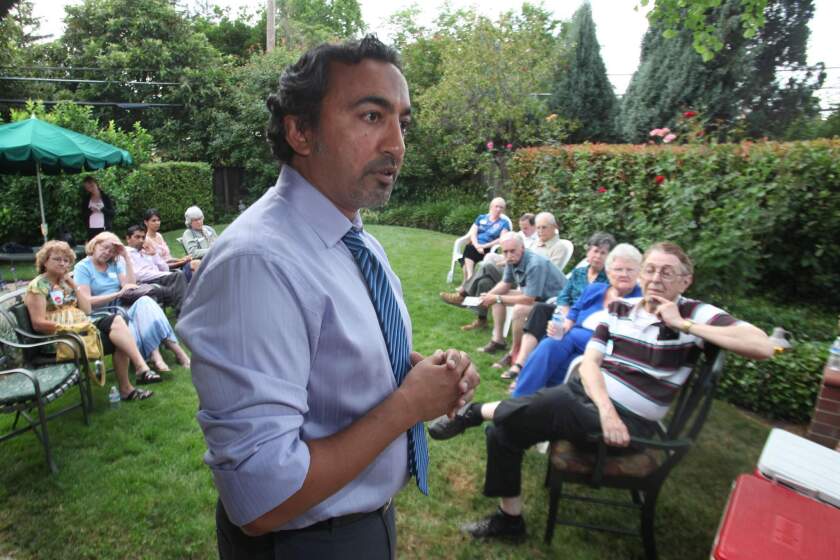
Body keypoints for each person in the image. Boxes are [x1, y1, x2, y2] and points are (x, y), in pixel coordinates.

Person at [175, 35, 480, 559]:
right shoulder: (259, 264)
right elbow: (261, 500)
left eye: (401, 122)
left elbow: (333, 359)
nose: (397, 145)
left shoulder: (354, 242)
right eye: (370, 116)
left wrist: (419, 372)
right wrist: (409, 405)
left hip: (362, 526)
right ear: (300, 130)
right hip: (305, 543)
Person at [428, 241, 775, 542]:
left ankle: (473, 413)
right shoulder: (620, 310)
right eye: (650, 270)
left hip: (631, 425)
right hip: (598, 407)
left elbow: (761, 345)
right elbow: (591, 363)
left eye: (667, 273)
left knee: (558, 401)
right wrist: (605, 409)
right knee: (503, 431)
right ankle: (510, 520)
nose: (655, 278)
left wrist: (682, 324)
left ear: (686, 280)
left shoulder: (694, 312)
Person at [24, 241, 153, 401]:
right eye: (57, 259)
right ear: (45, 261)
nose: (62, 263)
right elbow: (38, 323)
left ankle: (140, 369)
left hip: (81, 326)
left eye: (65, 260)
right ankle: (130, 384)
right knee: (119, 338)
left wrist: (73, 284)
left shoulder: (64, 282)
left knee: (118, 322)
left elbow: (87, 310)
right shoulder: (38, 285)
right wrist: (68, 328)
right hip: (61, 338)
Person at [507, 243, 643, 393]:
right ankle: (520, 398)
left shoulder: (640, 301)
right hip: (570, 336)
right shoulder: (595, 289)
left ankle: (531, 400)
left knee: (562, 366)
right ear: (609, 272)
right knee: (548, 345)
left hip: (600, 347)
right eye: (618, 269)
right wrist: (564, 325)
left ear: (638, 273)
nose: (624, 274)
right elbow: (575, 310)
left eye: (630, 269)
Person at [74, 232, 190, 376]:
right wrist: (117, 294)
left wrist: (126, 257)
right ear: (94, 245)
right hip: (104, 313)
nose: (107, 253)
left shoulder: (114, 264)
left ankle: (177, 352)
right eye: (104, 248)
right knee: (141, 313)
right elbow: (86, 301)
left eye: (111, 251)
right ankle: (158, 356)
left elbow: (130, 285)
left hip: (121, 305)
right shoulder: (83, 267)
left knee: (146, 302)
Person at [501, 231, 616, 376]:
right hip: (566, 312)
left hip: (586, 321)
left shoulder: (610, 280)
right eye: (595, 251)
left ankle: (533, 368)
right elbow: (563, 296)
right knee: (539, 309)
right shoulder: (579, 273)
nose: (598, 256)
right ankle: (520, 363)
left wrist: (571, 319)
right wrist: (565, 312)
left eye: (603, 253)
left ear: (609, 257)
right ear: (588, 252)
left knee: (550, 323)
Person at [440, 212, 567, 332]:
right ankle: (482, 319)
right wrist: (489, 295)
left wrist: (509, 263)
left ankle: (463, 295)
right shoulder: (536, 243)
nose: (539, 231)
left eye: (543, 228)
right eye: (538, 228)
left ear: (554, 227)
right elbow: (520, 259)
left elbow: (547, 273)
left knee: (487, 267)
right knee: (485, 279)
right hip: (519, 277)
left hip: (532, 287)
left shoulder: (559, 247)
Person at [474, 234, 566, 356]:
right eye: (505, 252)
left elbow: (528, 299)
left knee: (519, 309)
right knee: (496, 299)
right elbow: (505, 284)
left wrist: (496, 297)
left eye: (512, 251)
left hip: (556, 303)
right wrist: (488, 297)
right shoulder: (511, 259)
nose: (509, 255)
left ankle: (514, 352)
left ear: (522, 248)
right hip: (537, 296)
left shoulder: (534, 264)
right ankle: (498, 340)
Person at [125, 225, 188, 317]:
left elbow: (165, 268)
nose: (141, 240)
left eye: (143, 237)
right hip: (145, 282)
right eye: (137, 237)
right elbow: (138, 275)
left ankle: (184, 313)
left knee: (178, 278)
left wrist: (154, 254)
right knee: (178, 276)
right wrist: (161, 274)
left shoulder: (145, 252)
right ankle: (185, 313)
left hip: (158, 278)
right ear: (128, 238)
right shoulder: (126, 254)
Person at [460, 198, 511, 283]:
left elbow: (501, 239)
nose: (498, 209)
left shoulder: (504, 223)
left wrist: (483, 246)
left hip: (489, 249)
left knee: (468, 250)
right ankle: (470, 277)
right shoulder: (481, 218)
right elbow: (473, 233)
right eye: (496, 206)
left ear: (503, 209)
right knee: (469, 248)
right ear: (491, 207)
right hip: (475, 246)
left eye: (501, 207)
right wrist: (477, 245)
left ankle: (467, 280)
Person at [143, 208, 192, 280]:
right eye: (154, 221)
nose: (157, 223)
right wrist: (181, 262)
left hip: (171, 266)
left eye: (158, 220)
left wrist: (181, 260)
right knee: (189, 267)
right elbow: (158, 265)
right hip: (161, 272)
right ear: (146, 222)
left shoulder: (159, 235)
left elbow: (168, 258)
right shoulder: (146, 240)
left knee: (194, 263)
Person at [80, 176, 115, 241]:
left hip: (104, 229)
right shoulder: (86, 199)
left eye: (92, 186)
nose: (90, 189)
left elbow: (112, 213)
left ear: (96, 184)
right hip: (91, 229)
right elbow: (82, 215)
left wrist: (102, 209)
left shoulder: (105, 197)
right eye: (87, 188)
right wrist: (91, 210)